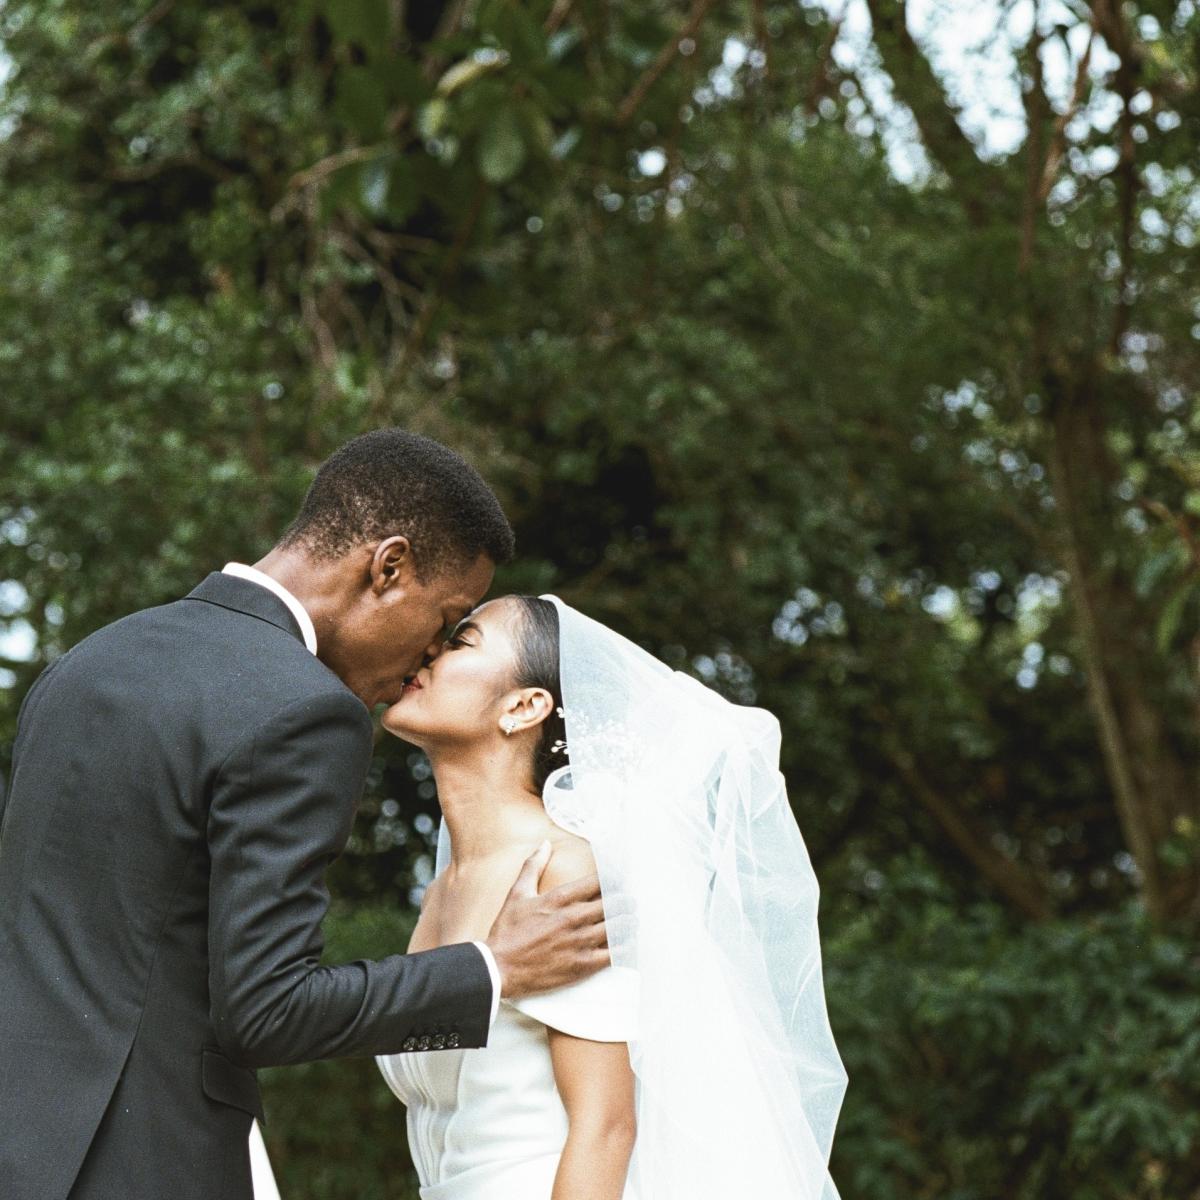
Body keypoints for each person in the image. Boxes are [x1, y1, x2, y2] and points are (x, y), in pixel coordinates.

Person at [0, 430, 608, 1200]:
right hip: (149, 1163)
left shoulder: (85, 664)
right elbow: (267, 1011)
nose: (428, 655)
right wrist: (495, 969)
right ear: (388, 567)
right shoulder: (302, 708)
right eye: (443, 619)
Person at [377, 594, 848, 1200]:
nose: (428, 652)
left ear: (524, 707)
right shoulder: (441, 892)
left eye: (460, 642)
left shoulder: (562, 870)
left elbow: (605, 1128)